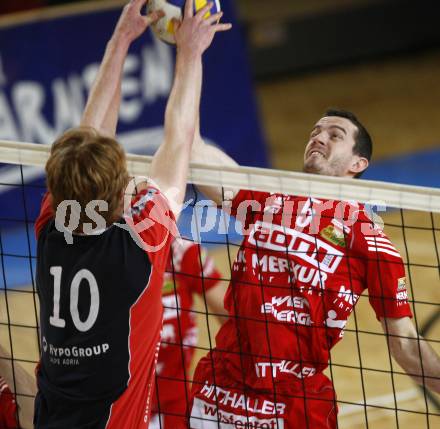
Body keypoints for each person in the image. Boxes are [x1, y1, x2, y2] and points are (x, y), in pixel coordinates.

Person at [33, 0, 231, 428]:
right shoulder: (140, 246)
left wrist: (119, 42)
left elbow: (88, 138)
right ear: (119, 197)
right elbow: (179, 138)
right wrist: (190, 52)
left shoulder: (52, 229)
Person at [188, 110, 440, 428]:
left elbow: (404, 343)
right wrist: (187, 65)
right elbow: (193, 148)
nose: (318, 138)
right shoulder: (270, 201)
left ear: (357, 164)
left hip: (294, 405)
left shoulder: (371, 244)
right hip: (220, 393)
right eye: (315, 132)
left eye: (334, 135)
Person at [149, 238, 226, 429]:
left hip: (175, 396)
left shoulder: (181, 252)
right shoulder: (110, 255)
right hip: (124, 395)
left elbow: (233, 318)